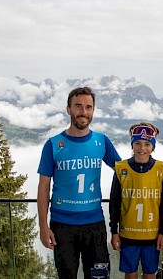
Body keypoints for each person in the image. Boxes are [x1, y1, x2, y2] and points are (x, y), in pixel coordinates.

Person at [37, 86, 121, 279]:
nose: (84, 112)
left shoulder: (102, 141)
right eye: (78, 106)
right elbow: (43, 187)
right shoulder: (53, 144)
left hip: (95, 225)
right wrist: (43, 226)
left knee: (99, 277)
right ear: (68, 109)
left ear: (93, 111)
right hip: (62, 226)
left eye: (88, 107)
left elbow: (124, 172)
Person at [109, 122, 163, 279]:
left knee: (150, 274)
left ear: (153, 147)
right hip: (128, 234)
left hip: (152, 234)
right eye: (137, 143)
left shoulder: (161, 170)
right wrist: (114, 231)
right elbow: (114, 202)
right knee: (130, 273)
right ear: (132, 145)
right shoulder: (121, 169)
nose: (142, 148)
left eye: (147, 144)